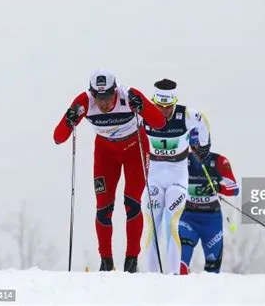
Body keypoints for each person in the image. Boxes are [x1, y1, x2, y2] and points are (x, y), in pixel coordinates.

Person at [53, 69, 166, 272]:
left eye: (107, 97)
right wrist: (68, 121)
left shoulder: (129, 96)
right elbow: (58, 138)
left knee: (132, 203)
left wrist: (143, 109)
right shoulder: (84, 102)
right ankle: (106, 262)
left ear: (115, 91)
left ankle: (131, 261)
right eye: (98, 97)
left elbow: (159, 123)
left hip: (135, 148)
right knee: (103, 208)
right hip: (106, 153)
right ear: (92, 94)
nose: (103, 103)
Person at [142, 78, 211, 274]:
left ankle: (173, 275)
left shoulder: (187, 114)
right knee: (152, 227)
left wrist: (202, 147)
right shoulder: (144, 113)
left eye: (168, 107)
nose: (164, 111)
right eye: (159, 106)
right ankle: (150, 276)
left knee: (173, 225)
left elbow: (203, 126)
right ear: (153, 102)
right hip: (153, 178)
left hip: (177, 179)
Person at [178, 128, 239, 275]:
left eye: (202, 148)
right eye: (193, 147)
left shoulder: (219, 161)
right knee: (181, 262)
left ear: (208, 144)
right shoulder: (183, 160)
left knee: (213, 268)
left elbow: (234, 189)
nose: (197, 152)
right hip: (188, 217)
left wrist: (217, 187)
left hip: (212, 220)